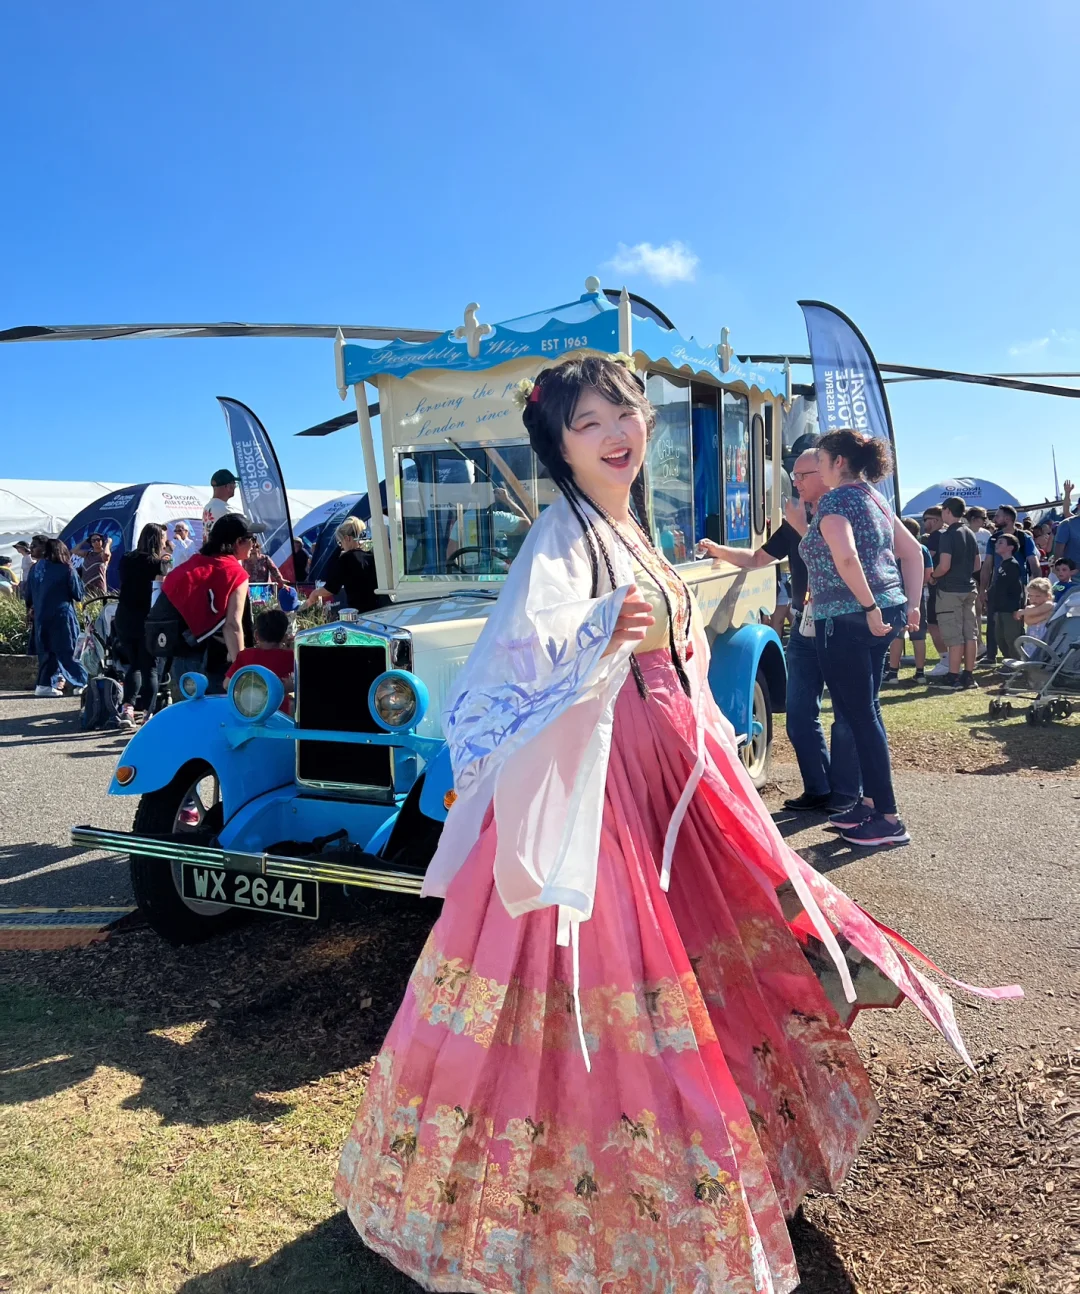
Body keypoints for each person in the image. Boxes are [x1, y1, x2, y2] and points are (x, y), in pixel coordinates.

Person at [335, 357, 1019, 1292]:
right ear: (561, 446)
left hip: (665, 771)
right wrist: (604, 627)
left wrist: (671, 641)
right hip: (599, 786)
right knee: (605, 975)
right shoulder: (559, 536)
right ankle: (574, 1213)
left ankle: (719, 1155)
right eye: (589, 423)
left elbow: (676, 640)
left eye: (625, 410)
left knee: (700, 953)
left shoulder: (629, 526)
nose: (618, 429)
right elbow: (504, 677)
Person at [698, 447, 862, 814]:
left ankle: (848, 794)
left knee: (849, 715)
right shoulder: (795, 520)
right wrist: (718, 550)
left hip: (841, 623)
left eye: (804, 474)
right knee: (799, 712)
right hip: (806, 624)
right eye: (796, 476)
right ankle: (819, 788)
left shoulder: (844, 514)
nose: (797, 482)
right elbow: (758, 558)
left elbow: (842, 562)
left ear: (826, 472)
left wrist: (802, 526)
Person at [798, 429, 924, 847]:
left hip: (849, 618)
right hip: (880, 611)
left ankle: (887, 816)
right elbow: (913, 553)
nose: (816, 470)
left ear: (837, 463)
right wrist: (910, 605)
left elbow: (846, 555)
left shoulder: (835, 501)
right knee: (865, 711)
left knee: (860, 715)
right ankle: (870, 805)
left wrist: (869, 607)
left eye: (820, 462)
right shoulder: (875, 497)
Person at [155, 513, 254, 694]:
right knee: (219, 719)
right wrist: (242, 669)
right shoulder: (234, 572)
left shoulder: (187, 567)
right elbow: (232, 625)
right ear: (239, 541)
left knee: (187, 717)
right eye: (252, 539)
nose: (254, 544)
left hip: (179, 657)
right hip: (214, 663)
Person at [114, 522, 169, 729]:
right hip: (148, 619)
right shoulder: (157, 563)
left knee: (134, 665)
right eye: (163, 538)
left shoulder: (127, 559)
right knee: (151, 667)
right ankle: (148, 713)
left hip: (125, 616)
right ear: (158, 540)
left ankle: (127, 708)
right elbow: (161, 591)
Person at [26, 539, 88, 698]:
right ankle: (80, 683)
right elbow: (78, 594)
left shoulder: (34, 569)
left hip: (41, 616)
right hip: (62, 615)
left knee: (46, 651)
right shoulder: (66, 568)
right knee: (69, 649)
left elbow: (28, 596)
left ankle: (44, 684)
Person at [929, 496, 979, 691]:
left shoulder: (947, 535)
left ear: (948, 511)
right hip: (969, 588)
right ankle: (969, 675)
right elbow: (977, 564)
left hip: (950, 590)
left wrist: (933, 576)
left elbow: (944, 565)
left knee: (953, 635)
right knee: (970, 633)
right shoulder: (970, 533)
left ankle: (953, 676)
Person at [979, 505, 1040, 663]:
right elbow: (987, 565)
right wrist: (983, 588)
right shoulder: (995, 539)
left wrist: (1035, 589)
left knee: (1013, 624)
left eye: (997, 516)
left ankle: (1017, 658)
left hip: (1017, 588)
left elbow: (1034, 564)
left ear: (1007, 519)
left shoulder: (1023, 537)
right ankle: (991, 655)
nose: (994, 520)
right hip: (997, 585)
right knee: (993, 621)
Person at [884, 516, 933, 684]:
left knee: (896, 635)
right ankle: (920, 673)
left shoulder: (891, 548)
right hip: (916, 596)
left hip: (895, 595)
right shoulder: (922, 549)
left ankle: (893, 673)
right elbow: (928, 574)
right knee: (918, 635)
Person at [304, 517, 388, 614]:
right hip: (381, 610)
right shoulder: (372, 555)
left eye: (341, 542)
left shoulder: (346, 558)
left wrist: (315, 593)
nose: (342, 546)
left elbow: (331, 589)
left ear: (347, 538)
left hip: (361, 612)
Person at [224, 606, 295, 713]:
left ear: (256, 635)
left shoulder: (245, 656)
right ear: (284, 637)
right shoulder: (290, 656)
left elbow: (227, 684)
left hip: (250, 712)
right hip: (279, 714)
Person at [986, 533, 1026, 661]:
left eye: (1001, 543)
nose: (997, 545)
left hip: (1010, 609)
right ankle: (1009, 661)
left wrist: (1017, 608)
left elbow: (1016, 589)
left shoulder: (1013, 565)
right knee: (1000, 637)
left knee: (1011, 637)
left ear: (1011, 547)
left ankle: (1018, 663)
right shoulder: (1003, 565)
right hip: (999, 608)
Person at [920, 506, 949, 676]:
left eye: (926, 519)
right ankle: (949, 660)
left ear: (936, 520)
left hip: (937, 586)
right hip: (948, 586)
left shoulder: (935, 537)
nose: (924, 523)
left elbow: (927, 561)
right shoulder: (950, 535)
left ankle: (945, 660)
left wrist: (930, 577)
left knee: (934, 624)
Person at [1015, 576, 1055, 646]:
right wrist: (1045, 617)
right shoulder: (1029, 608)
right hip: (1032, 640)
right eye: (1030, 596)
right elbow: (1028, 621)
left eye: (1037, 596)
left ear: (1048, 596)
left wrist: (1022, 612)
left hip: (1045, 639)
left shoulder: (1049, 605)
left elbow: (1038, 611)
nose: (1033, 599)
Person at [202, 469, 239, 540]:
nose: (234, 487)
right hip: (222, 550)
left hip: (210, 549)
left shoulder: (207, 507)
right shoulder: (225, 509)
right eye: (234, 484)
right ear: (228, 486)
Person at [74, 532, 112, 600]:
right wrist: (84, 541)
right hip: (86, 588)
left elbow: (106, 554)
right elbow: (74, 551)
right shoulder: (87, 554)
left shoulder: (103, 554)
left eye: (98, 539)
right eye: (93, 541)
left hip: (99, 588)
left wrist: (108, 543)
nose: (96, 542)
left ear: (102, 540)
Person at [1054, 479, 1080, 565]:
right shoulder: (1068, 524)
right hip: (1074, 576)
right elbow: (1066, 511)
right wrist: (1067, 493)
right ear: (1078, 506)